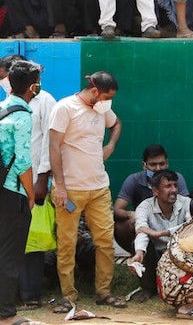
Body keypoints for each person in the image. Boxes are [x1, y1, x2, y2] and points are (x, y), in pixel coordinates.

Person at [49, 72, 127, 313]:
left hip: (99, 188)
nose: (108, 102)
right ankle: (68, 296)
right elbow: (53, 146)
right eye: (106, 96)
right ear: (94, 91)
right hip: (70, 190)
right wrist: (59, 186)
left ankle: (104, 292)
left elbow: (117, 124)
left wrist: (110, 146)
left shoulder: (102, 109)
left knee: (105, 242)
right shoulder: (65, 108)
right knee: (67, 243)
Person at [0, 60, 42, 325]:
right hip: (12, 192)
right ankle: (5, 314)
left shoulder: (2, 108)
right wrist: (29, 194)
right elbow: (24, 162)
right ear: (33, 88)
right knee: (10, 254)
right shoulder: (23, 115)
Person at [113, 144, 190, 256]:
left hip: (174, 227)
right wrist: (130, 214)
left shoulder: (176, 179)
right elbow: (117, 209)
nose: (158, 168)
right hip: (144, 223)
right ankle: (138, 255)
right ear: (144, 165)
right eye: (153, 164)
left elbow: (189, 212)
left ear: (167, 163)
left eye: (162, 164)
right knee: (122, 227)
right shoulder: (134, 181)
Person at [126, 170, 191, 302]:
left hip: (180, 254)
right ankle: (148, 288)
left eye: (175, 185)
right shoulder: (144, 207)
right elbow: (141, 231)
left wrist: (161, 233)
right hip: (157, 256)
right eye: (168, 186)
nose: (173, 190)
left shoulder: (186, 203)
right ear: (156, 191)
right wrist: (139, 253)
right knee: (138, 245)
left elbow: (192, 226)